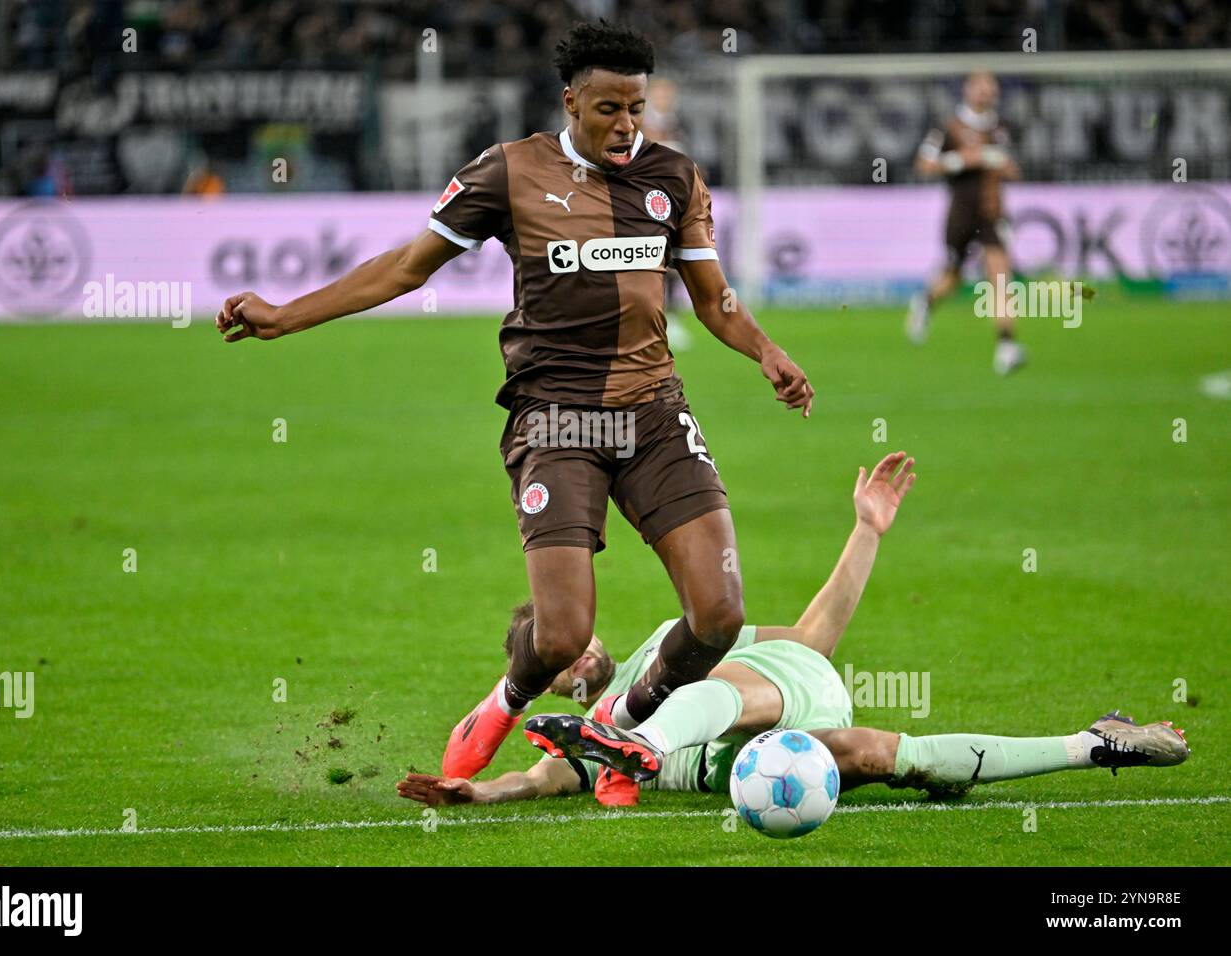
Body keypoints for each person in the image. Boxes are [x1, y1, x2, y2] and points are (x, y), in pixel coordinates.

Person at [215, 21, 815, 798]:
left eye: (634, 107)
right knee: (562, 635)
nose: (625, 124)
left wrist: (766, 350)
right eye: (607, 108)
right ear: (570, 101)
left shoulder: (674, 179)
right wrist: (285, 314)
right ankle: (510, 698)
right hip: (555, 421)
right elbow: (404, 268)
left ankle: (621, 730)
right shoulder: (508, 172)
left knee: (719, 616)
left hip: (653, 415)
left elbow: (714, 301)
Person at [396, 452, 1188, 808]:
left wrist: (867, 530)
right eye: (565, 648)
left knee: (703, 679)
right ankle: (1096, 742)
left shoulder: (677, 642)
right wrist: (474, 794)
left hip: (783, 690)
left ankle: (648, 746)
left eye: (579, 632)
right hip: (767, 756)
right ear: (557, 675)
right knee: (883, 756)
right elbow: (530, 782)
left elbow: (811, 637)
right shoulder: (569, 739)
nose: (583, 643)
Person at [906, 71, 1025, 375]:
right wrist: (963, 160)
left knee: (1000, 275)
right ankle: (926, 302)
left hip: (991, 213)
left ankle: (1006, 346)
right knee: (954, 276)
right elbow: (923, 164)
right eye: (980, 88)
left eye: (991, 89)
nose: (986, 94)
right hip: (960, 214)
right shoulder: (948, 129)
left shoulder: (1001, 129)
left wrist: (1002, 165)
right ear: (967, 91)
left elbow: (1013, 170)